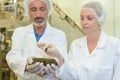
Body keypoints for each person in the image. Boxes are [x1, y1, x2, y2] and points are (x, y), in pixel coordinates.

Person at [37, 1, 120, 80]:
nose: (84, 22)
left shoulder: (114, 45)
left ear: (100, 20)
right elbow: (69, 76)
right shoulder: (76, 45)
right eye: (82, 18)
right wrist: (58, 56)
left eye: (89, 18)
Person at [6, 0, 67, 80]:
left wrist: (56, 63)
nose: (38, 15)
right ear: (28, 12)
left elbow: (63, 65)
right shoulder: (19, 32)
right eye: (33, 10)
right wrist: (26, 65)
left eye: (42, 9)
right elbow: (13, 57)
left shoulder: (59, 35)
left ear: (48, 11)